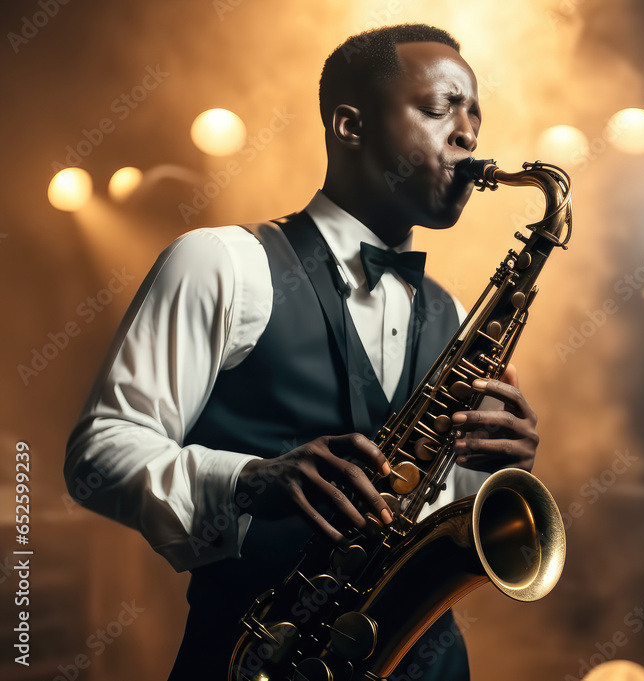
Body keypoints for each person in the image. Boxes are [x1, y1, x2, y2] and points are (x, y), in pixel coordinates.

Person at [64, 23, 540, 681]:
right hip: (257, 660)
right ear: (350, 125)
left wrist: (490, 466)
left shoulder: (455, 313)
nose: (468, 135)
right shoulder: (219, 262)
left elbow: (433, 516)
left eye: (474, 118)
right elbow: (97, 454)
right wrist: (251, 479)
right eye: (440, 109)